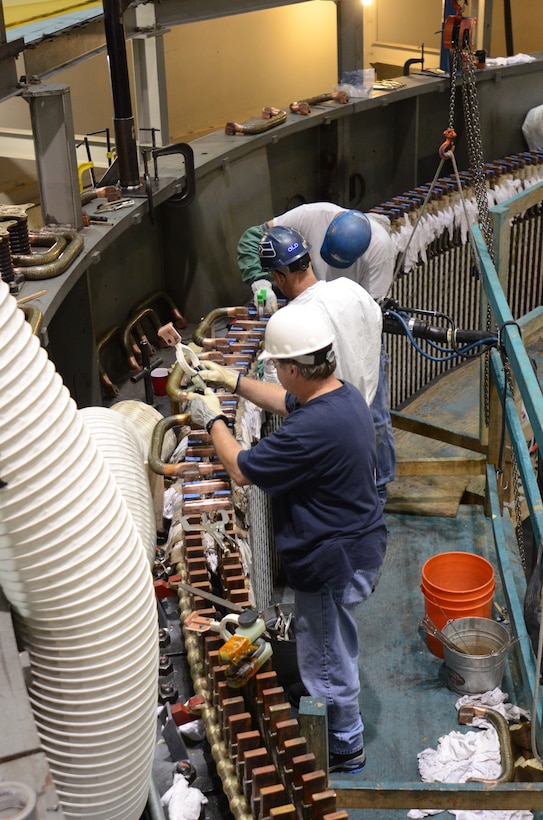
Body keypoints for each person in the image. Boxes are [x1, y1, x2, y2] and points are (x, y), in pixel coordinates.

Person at [188, 303, 387, 773]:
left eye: (278, 365)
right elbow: (282, 400)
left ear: (295, 367)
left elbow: (239, 469)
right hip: (358, 545)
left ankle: (344, 744)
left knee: (326, 654)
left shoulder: (310, 431)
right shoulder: (341, 397)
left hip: (330, 561)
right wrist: (231, 381)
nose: (275, 372)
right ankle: (334, 717)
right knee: (328, 639)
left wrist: (213, 418)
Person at [258, 224, 382, 406]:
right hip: (363, 409)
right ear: (309, 258)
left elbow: (279, 391)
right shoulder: (352, 289)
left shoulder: (290, 319)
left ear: (278, 277)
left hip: (323, 421)